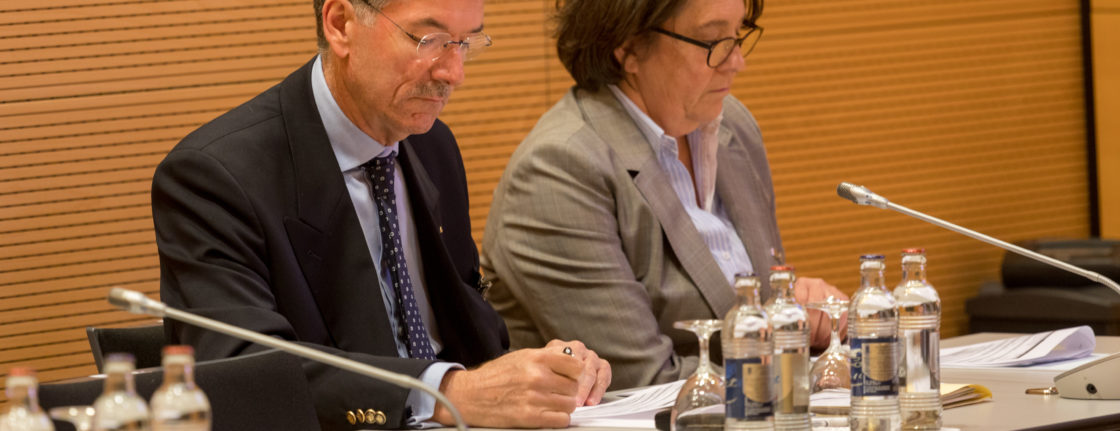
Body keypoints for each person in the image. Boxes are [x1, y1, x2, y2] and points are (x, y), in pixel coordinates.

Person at [151, 0, 610, 429]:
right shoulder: (216, 177)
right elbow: (245, 372)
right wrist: (447, 392)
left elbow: (472, 339)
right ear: (341, 24)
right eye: (428, 40)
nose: (454, 73)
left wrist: (551, 371)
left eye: (465, 43)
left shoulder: (432, 146)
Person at [481, 0, 846, 390]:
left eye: (738, 35)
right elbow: (642, 380)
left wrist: (811, 320)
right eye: (713, 41)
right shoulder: (559, 169)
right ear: (629, 48)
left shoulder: (732, 127)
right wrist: (809, 366)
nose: (737, 61)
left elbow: (758, 323)